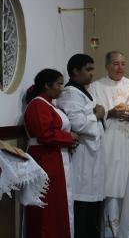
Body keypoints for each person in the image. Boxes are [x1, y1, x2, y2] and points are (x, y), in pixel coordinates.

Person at [88, 51, 129, 237]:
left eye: (123, 63)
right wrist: (109, 113)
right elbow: (90, 114)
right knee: (111, 185)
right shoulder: (96, 87)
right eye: (115, 64)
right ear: (107, 66)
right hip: (109, 143)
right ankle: (110, 232)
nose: (120, 67)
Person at [24, 68, 79, 238]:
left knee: (57, 204)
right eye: (59, 84)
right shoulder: (38, 105)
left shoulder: (48, 104)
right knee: (46, 207)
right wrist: (69, 137)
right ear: (47, 86)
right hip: (44, 160)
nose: (62, 88)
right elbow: (45, 134)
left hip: (55, 158)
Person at [57, 54, 105, 238]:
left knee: (92, 207)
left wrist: (97, 113)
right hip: (82, 157)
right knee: (82, 207)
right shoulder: (70, 93)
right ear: (75, 71)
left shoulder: (83, 90)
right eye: (88, 69)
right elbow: (78, 123)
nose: (92, 74)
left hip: (91, 155)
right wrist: (97, 115)